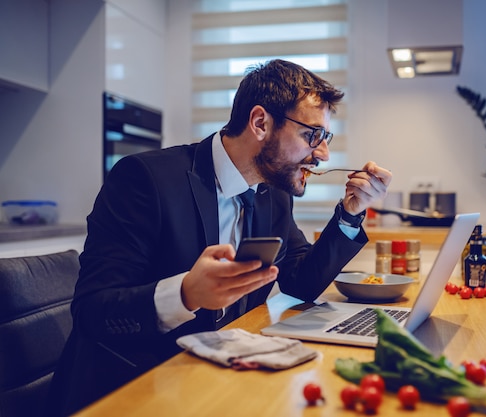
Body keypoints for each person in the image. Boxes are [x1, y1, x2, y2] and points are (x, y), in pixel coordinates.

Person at [46, 59, 392, 416]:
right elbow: (92, 311)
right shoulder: (145, 180)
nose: (323, 154)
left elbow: (300, 282)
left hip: (217, 382)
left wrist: (350, 214)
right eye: (312, 135)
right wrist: (185, 294)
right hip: (129, 391)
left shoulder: (272, 193)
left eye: (325, 138)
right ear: (260, 123)